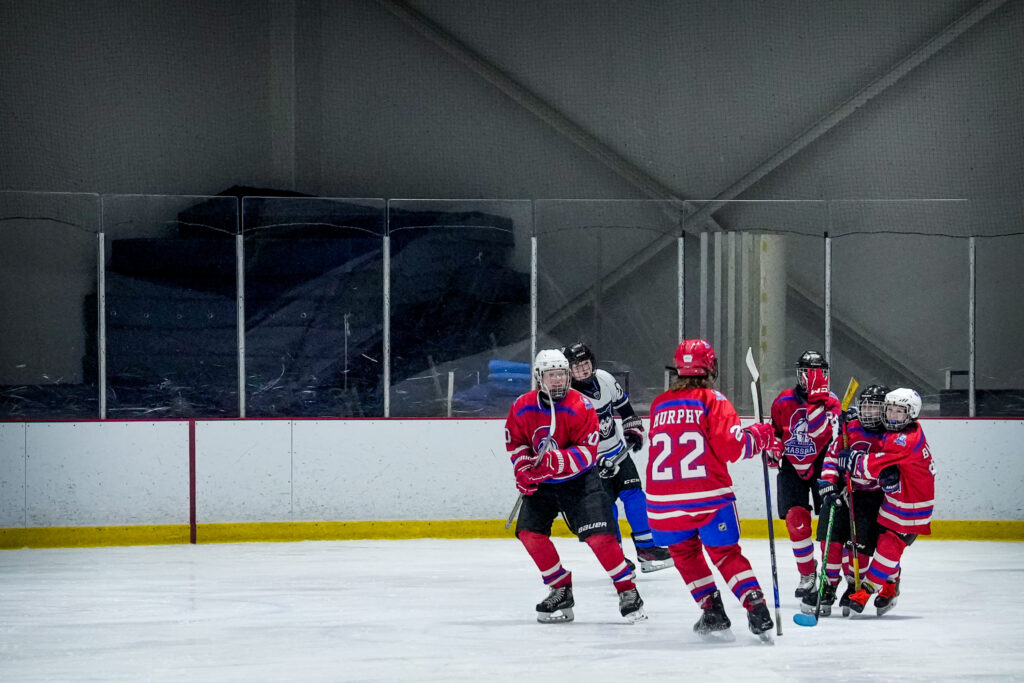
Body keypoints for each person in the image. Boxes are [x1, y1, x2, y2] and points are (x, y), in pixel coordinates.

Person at [645, 339, 781, 641]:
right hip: (707, 496)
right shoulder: (713, 400)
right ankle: (756, 608)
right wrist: (760, 436)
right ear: (710, 367)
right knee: (724, 553)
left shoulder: (659, 403)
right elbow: (732, 447)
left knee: (684, 553)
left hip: (663, 502)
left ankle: (712, 610)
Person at [505, 349, 647, 624]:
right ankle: (560, 588)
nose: (557, 381)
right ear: (539, 377)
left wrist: (555, 462)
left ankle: (628, 590)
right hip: (543, 485)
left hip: (580, 481)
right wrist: (523, 469)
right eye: (551, 375)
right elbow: (517, 442)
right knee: (529, 534)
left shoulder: (581, 406)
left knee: (599, 538)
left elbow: (587, 452)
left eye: (561, 374)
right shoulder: (522, 406)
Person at [562, 341, 672, 573]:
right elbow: (568, 439)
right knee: (606, 506)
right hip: (591, 463)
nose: (582, 369)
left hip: (618, 453)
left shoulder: (605, 378)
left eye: (585, 363)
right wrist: (591, 460)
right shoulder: (568, 398)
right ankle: (618, 557)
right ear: (569, 370)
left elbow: (626, 410)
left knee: (635, 495)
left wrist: (633, 428)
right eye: (576, 366)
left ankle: (646, 548)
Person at [835, 387, 935, 616]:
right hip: (895, 498)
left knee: (888, 549)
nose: (891, 416)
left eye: (898, 412)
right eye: (889, 410)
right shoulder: (900, 431)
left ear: (911, 414)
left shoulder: (905, 440)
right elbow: (875, 434)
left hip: (911, 507)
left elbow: (871, 465)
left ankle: (867, 590)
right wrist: (854, 419)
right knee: (879, 543)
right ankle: (890, 584)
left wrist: (853, 459)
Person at [806, 384, 890, 617]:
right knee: (830, 542)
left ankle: (854, 586)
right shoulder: (850, 428)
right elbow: (832, 456)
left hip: (872, 499)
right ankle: (828, 586)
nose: (868, 412)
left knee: (858, 548)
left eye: (874, 408)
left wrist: (857, 465)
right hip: (844, 492)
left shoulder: (889, 436)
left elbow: (885, 469)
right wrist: (829, 483)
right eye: (865, 407)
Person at [768, 351, 841, 601]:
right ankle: (807, 574)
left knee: (828, 525)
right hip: (791, 465)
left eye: (818, 373)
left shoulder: (831, 402)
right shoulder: (782, 401)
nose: (812, 378)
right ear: (799, 375)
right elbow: (775, 433)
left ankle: (829, 577)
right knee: (796, 520)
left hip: (824, 464)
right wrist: (773, 448)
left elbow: (830, 435)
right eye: (807, 373)